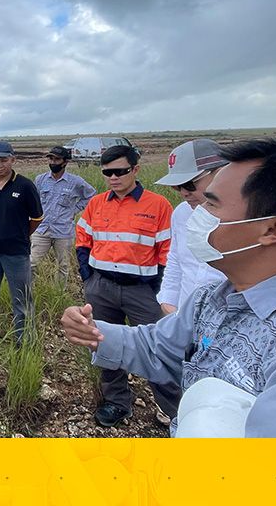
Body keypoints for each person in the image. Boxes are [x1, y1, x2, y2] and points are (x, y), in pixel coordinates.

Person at [61, 139, 276, 437]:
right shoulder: (216, 298)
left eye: (211, 204)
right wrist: (94, 333)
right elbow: (157, 347)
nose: (196, 213)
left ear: (273, 230)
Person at [155, 139, 276, 315]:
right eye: (176, 187)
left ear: (222, 171)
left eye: (189, 184)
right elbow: (176, 261)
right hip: (187, 321)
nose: (183, 193)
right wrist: (168, 301)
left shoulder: (256, 217)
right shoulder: (181, 214)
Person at [75, 144, 182, 427]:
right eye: (108, 172)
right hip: (101, 288)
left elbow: (167, 252)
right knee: (104, 345)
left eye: (120, 171)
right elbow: (82, 240)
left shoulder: (158, 206)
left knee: (159, 348)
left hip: (141, 292)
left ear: (135, 169)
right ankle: (117, 402)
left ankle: (173, 409)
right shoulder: (96, 204)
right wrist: (89, 277)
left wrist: (156, 290)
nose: (113, 177)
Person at [0, 142, 43, 344]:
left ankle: (22, 342)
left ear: (13, 160)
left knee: (22, 301)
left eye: (4, 160)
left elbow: (37, 218)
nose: (0, 165)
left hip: (16, 253)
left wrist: (21, 234)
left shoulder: (25, 186)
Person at [31, 145, 95, 289]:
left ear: (65, 162)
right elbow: (33, 200)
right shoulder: (40, 180)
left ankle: (59, 292)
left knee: (63, 265)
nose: (53, 162)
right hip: (42, 230)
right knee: (31, 263)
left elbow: (91, 195)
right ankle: (28, 291)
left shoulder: (76, 181)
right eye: (51, 159)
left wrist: (75, 209)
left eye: (57, 159)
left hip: (63, 231)